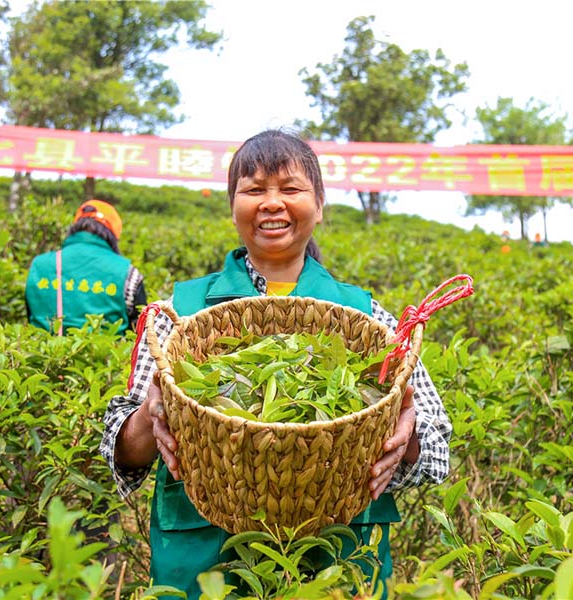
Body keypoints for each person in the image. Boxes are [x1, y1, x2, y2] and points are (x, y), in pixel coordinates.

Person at [99, 130, 452, 599]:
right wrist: (151, 415)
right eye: (253, 189)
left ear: (319, 205)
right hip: (206, 564)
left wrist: (402, 431)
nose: (271, 203)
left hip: (338, 557)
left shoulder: (370, 319)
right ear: (233, 207)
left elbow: (435, 443)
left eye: (290, 189)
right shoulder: (179, 315)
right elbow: (120, 449)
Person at [25, 199, 146, 335]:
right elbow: (140, 330)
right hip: (108, 355)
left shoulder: (38, 265)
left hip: (42, 352)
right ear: (113, 234)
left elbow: (31, 314)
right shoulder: (128, 273)